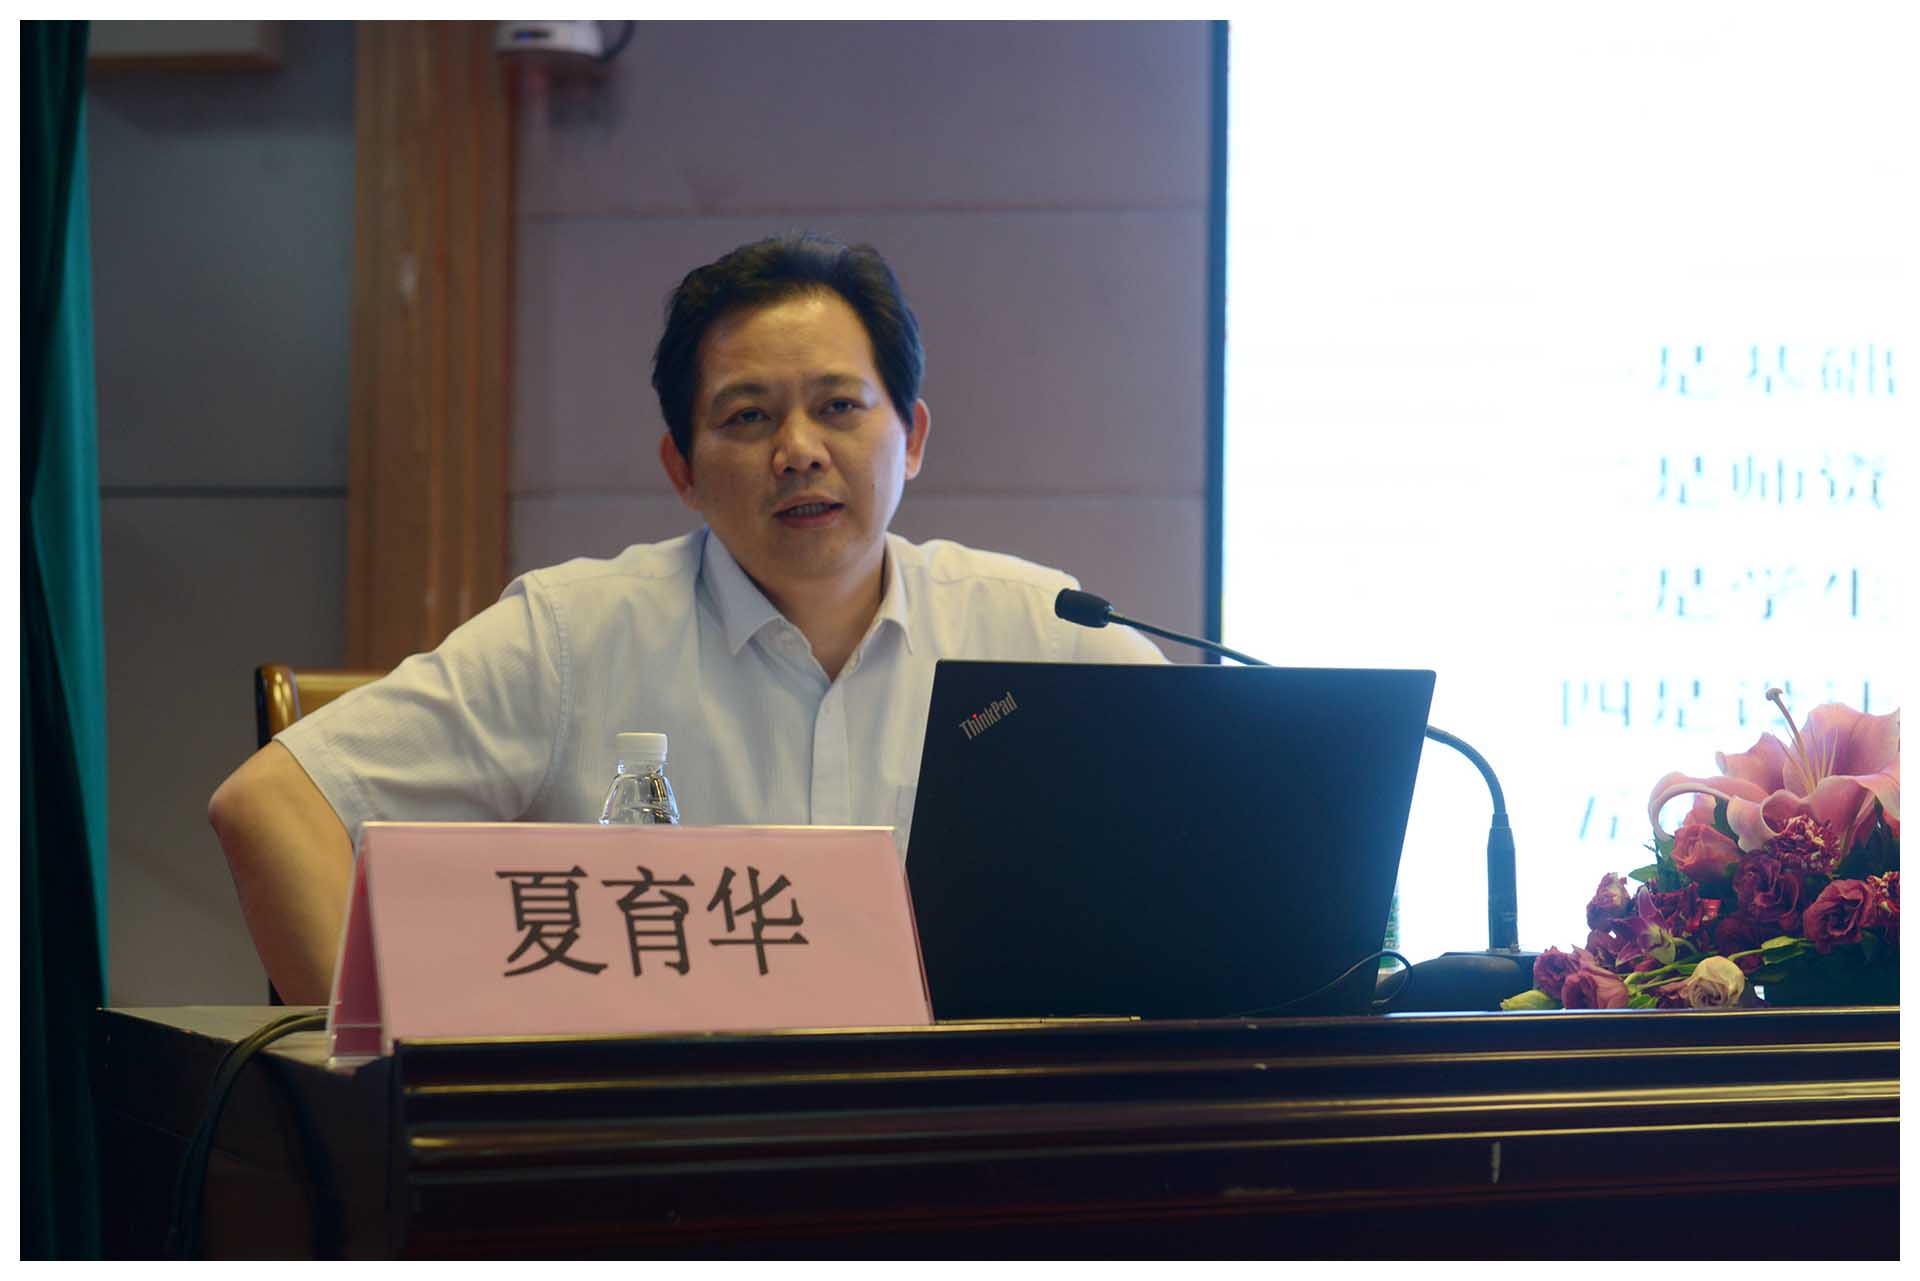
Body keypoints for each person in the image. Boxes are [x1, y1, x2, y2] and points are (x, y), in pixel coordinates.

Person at [209, 234, 1163, 1003]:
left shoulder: (1040, 632)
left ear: (910, 437)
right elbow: (270, 807)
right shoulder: (575, 637)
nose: (799, 451)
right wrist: (383, 1101)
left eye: (839, 406)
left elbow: (1202, 822)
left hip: (965, 1141)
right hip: (665, 1153)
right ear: (682, 470)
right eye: (748, 417)